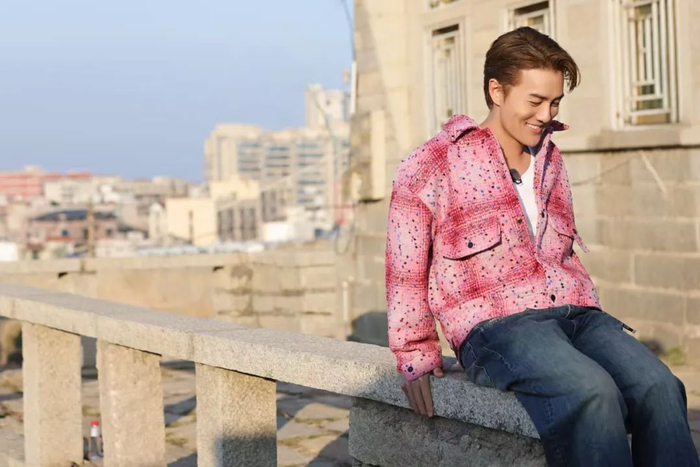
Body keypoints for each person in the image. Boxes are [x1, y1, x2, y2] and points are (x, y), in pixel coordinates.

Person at [384, 26, 699, 467]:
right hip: (497, 327)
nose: (545, 114)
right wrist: (415, 354)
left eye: (554, 102)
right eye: (535, 101)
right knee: (590, 392)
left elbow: (562, 253)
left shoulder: (551, 158)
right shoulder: (435, 162)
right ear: (497, 90)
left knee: (661, 387)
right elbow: (405, 268)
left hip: (576, 314)